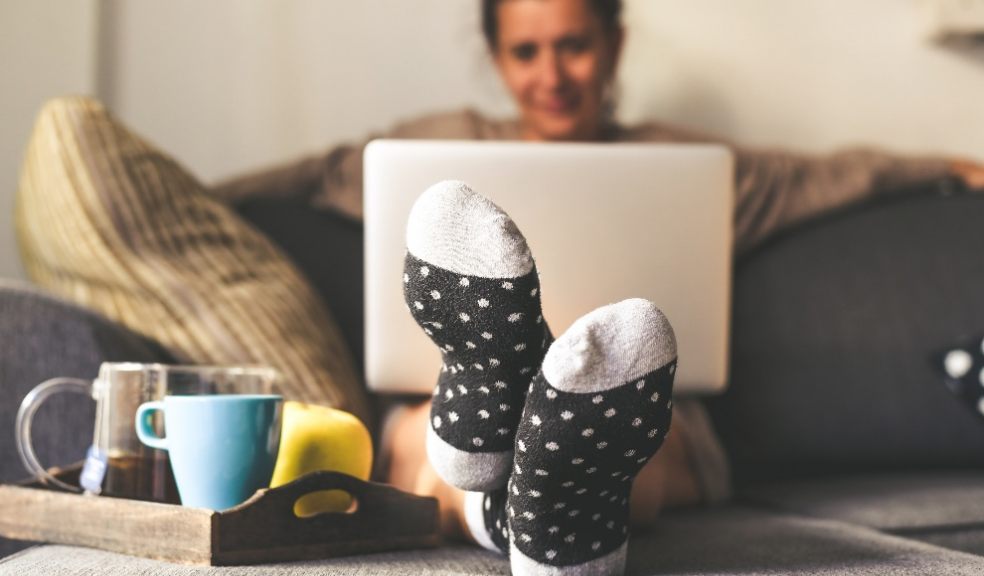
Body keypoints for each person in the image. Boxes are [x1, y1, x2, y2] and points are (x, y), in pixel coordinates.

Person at [213, 0, 984, 566]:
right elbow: (310, 175)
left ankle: (526, 464)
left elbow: (823, 175)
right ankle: (540, 491)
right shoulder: (433, 143)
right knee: (420, 436)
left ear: (614, 47)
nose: (551, 75)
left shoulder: (691, 165)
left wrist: (944, 169)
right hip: (430, 400)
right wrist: (201, 195)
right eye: (527, 52)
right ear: (496, 57)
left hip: (656, 413)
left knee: (634, 439)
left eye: (574, 46)